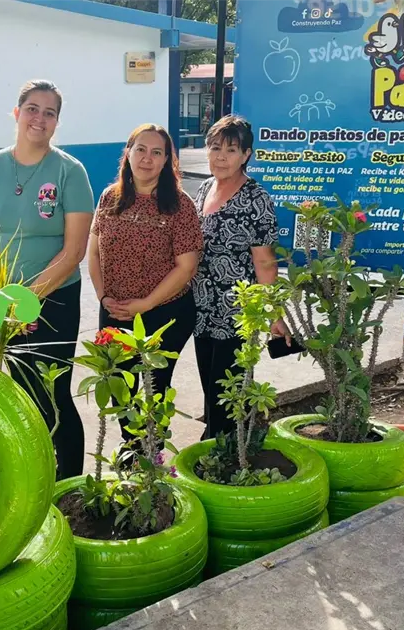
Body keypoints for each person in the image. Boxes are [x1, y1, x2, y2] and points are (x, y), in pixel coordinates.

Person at [0, 80, 94, 481]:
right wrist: (7, 300)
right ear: (17, 113)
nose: (40, 118)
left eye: (49, 112)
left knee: (54, 394)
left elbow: (74, 250)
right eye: (33, 109)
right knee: (18, 393)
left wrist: (29, 301)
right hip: (1, 300)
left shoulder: (70, 171)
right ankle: (32, 477)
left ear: (57, 122)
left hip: (55, 298)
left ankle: (68, 484)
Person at [88, 123, 203, 452]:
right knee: (118, 385)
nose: (147, 159)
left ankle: (153, 454)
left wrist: (147, 303)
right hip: (114, 310)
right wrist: (103, 297)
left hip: (165, 312)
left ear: (167, 160)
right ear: (128, 153)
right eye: (140, 149)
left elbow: (186, 267)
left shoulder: (179, 205)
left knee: (155, 386)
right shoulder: (110, 198)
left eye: (156, 152)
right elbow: (93, 252)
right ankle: (132, 449)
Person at [192, 114, 290, 441]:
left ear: (246, 155)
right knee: (210, 386)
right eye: (215, 147)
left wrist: (274, 313)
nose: (221, 157)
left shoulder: (256, 199)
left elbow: (265, 262)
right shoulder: (204, 189)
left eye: (231, 150)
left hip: (237, 312)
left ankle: (223, 451)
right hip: (201, 308)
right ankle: (219, 445)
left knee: (228, 390)